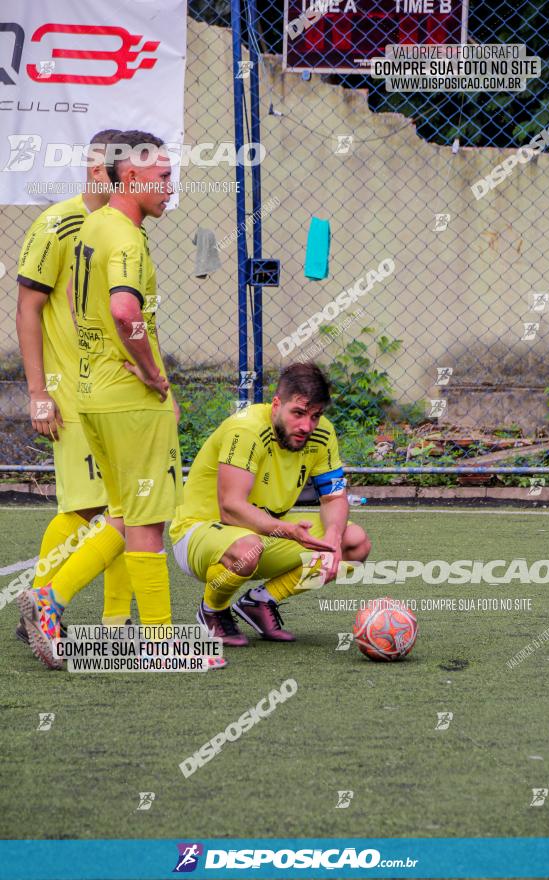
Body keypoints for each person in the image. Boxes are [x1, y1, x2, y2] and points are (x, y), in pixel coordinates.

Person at [17, 131, 224, 670]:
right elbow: (127, 313)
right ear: (129, 178)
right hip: (130, 400)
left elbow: (71, 299)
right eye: (161, 178)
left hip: (92, 394)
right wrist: (155, 375)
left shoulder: (95, 225)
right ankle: (160, 647)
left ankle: (49, 599)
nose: (170, 189)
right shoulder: (127, 238)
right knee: (148, 523)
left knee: (122, 515)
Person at [15, 129, 133, 646]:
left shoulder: (127, 226)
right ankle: (43, 603)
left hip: (119, 391)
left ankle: (114, 620)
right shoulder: (57, 223)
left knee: (129, 505)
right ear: (97, 170)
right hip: (74, 393)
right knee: (88, 507)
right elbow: (27, 309)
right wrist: (39, 392)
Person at [169, 362, 372, 645]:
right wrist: (287, 531)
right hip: (199, 534)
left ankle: (262, 600)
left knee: (354, 543)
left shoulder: (322, 434)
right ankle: (212, 610)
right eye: (298, 413)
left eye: (315, 416)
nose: (306, 426)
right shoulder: (247, 430)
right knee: (247, 548)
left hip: (264, 534)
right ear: (276, 404)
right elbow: (231, 509)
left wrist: (333, 538)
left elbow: (334, 496)